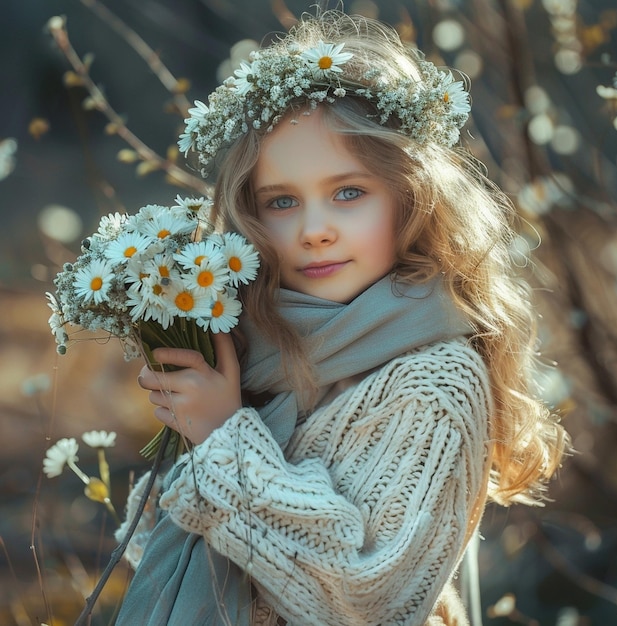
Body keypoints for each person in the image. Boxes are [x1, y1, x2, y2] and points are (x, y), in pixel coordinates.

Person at [114, 9, 569, 626]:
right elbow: (170, 555)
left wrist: (225, 441)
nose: (315, 231)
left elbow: (367, 598)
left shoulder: (434, 381)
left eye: (348, 192)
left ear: (409, 196)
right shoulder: (259, 347)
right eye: (281, 202)